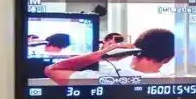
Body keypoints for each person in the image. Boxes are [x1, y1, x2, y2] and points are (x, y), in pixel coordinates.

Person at [44, 28, 175, 84]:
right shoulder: (170, 84)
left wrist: (103, 53)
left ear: (134, 47)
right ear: (168, 58)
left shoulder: (105, 76)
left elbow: (51, 70)